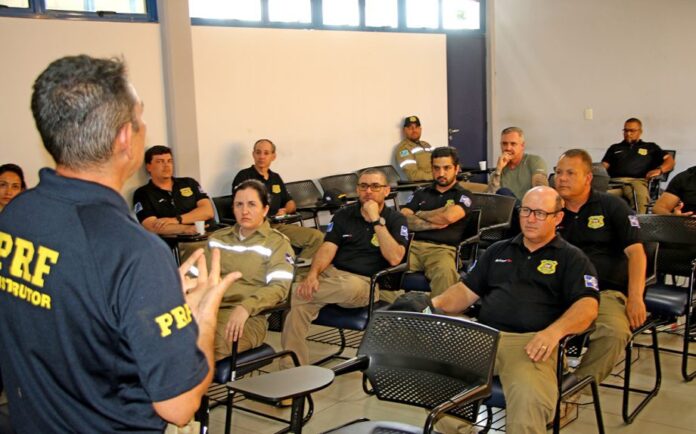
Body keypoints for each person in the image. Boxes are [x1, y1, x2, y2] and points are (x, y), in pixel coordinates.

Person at [0, 55, 238, 432]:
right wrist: (203, 316)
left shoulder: (16, 216)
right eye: (140, 118)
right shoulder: (135, 252)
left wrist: (145, 299)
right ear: (125, 137)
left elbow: (74, 310)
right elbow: (178, 406)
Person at [432, 186, 600, 434]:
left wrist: (554, 333)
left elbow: (588, 307)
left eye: (541, 213)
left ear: (558, 217)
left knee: (527, 404)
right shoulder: (497, 251)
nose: (531, 219)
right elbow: (465, 292)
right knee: (438, 384)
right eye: (526, 211)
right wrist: (431, 306)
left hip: (533, 345)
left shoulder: (572, 259)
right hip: (485, 338)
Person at [281, 169, 409, 365]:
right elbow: (327, 249)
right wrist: (313, 275)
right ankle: (294, 374)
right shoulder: (343, 215)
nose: (368, 191)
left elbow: (394, 258)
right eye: (363, 186)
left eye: (375, 186)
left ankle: (284, 293)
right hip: (332, 277)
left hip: (365, 283)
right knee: (297, 312)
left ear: (386, 191)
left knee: (340, 288)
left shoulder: (396, 220)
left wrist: (376, 220)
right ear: (357, 190)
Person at [555, 148, 647, 385]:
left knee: (614, 333)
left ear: (588, 178)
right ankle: (551, 382)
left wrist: (636, 297)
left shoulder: (612, 206)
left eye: (570, 173)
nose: (562, 178)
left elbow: (636, 253)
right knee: (527, 320)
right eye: (558, 172)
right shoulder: (549, 210)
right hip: (556, 290)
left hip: (603, 292)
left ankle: (572, 390)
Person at [206, 180, 294, 360]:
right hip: (209, 310)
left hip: (248, 317)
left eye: (252, 204)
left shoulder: (277, 243)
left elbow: (280, 288)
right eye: (239, 204)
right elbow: (197, 279)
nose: (244, 211)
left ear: (265, 209)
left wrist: (246, 307)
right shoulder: (217, 239)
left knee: (205, 345)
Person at [232, 139, 323, 261]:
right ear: (253, 154)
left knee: (317, 237)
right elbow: (239, 206)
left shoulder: (275, 178)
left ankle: (298, 270)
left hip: (277, 225)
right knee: (279, 243)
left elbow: (290, 203)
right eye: (258, 152)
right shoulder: (244, 176)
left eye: (266, 153)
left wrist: (285, 210)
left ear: (273, 156)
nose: (261, 157)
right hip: (255, 228)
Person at [401, 147, 472, 297]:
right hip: (412, 246)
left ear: (457, 169)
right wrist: (435, 218)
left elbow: (449, 218)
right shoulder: (420, 192)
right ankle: (393, 312)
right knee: (383, 262)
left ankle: (439, 317)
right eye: (436, 168)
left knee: (445, 273)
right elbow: (403, 218)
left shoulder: (463, 195)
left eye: (447, 168)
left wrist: (419, 214)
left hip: (442, 250)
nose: (441, 173)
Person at [133, 145, 215, 236]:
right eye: (160, 162)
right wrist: (185, 229)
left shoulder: (189, 183)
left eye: (169, 161)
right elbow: (151, 226)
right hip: (176, 242)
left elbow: (208, 211)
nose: (166, 165)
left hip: (208, 234)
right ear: (148, 167)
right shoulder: (143, 193)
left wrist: (175, 220)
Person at [602, 118, 675, 213]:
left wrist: (660, 170)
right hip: (615, 183)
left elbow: (670, 160)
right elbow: (603, 167)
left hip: (637, 182)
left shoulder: (650, 147)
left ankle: (639, 225)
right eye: (626, 130)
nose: (628, 133)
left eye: (632, 130)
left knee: (640, 197)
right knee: (598, 196)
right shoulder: (614, 148)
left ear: (640, 131)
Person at [487, 126, 548, 199]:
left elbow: (541, 190)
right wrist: (498, 170)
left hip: (529, 207)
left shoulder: (535, 161)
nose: (508, 148)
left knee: (504, 192)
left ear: (522, 145)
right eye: (504, 144)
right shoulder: (498, 170)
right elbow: (492, 198)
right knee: (503, 192)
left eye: (513, 144)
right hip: (507, 209)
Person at [394, 115, 435, 181]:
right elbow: (413, 175)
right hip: (425, 186)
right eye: (410, 128)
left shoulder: (426, 145)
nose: (414, 130)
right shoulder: (404, 149)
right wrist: (436, 176)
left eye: (417, 127)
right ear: (404, 130)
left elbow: (438, 162)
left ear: (420, 129)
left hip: (437, 181)